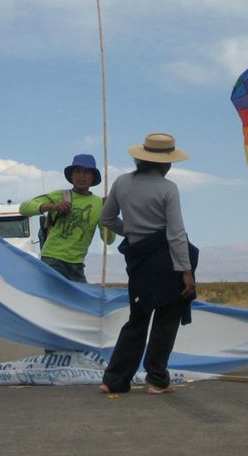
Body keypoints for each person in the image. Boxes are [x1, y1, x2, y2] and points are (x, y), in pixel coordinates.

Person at [99, 133, 196, 395]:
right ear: (166, 163)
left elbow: (106, 219)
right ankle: (156, 379)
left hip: (138, 259)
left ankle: (114, 379)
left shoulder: (121, 183)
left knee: (138, 317)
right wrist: (186, 272)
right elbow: (176, 234)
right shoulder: (168, 188)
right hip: (166, 261)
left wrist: (131, 231)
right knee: (166, 317)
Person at [20, 154, 114, 283]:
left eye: (86, 172)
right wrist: (51, 206)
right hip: (53, 260)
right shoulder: (61, 196)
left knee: (79, 301)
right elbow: (24, 208)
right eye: (78, 171)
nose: (82, 176)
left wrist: (110, 212)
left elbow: (109, 240)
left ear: (93, 177)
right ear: (71, 176)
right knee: (53, 300)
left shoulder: (100, 204)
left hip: (77, 265)